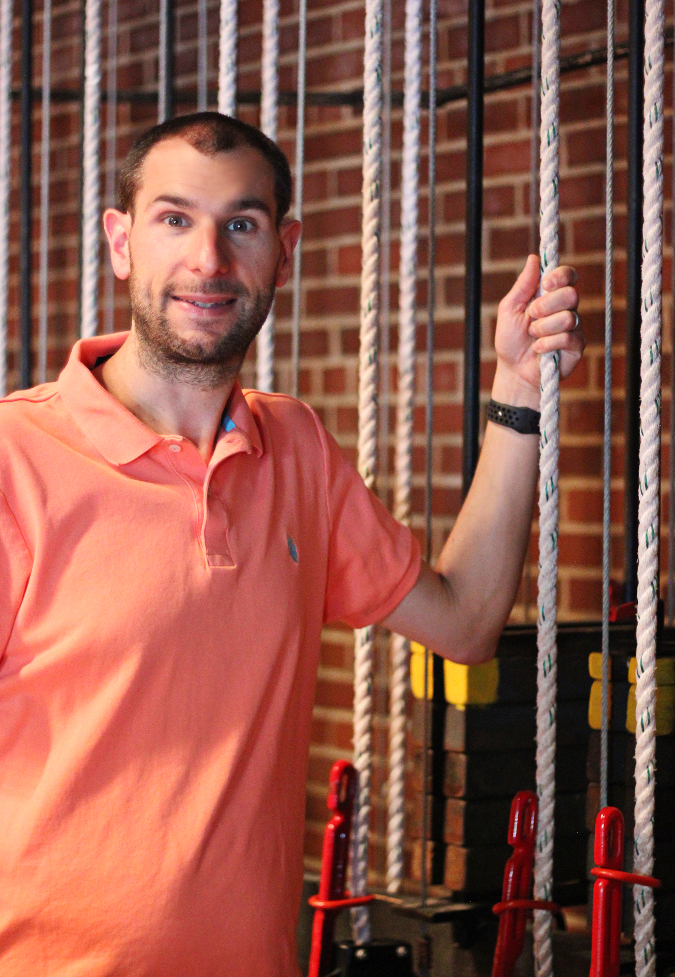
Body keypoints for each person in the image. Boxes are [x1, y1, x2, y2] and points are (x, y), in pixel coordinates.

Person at [0, 113, 584, 976]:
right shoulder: (16, 459)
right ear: (121, 242)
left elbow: (464, 621)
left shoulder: (297, 448)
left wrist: (519, 391)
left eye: (240, 223)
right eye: (174, 219)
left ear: (284, 251)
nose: (208, 259)